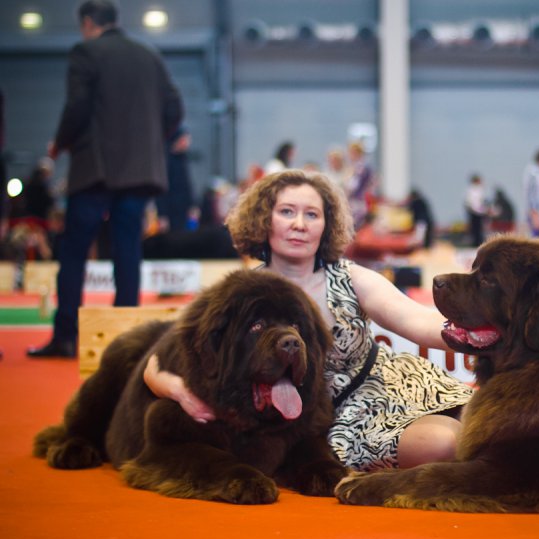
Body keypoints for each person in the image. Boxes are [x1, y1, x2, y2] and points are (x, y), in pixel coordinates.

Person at [143, 170, 474, 471]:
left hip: (396, 384)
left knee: (494, 428)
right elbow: (155, 364)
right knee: (447, 443)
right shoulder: (238, 293)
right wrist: (178, 391)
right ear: (263, 220)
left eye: (311, 214)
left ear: (326, 225)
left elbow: (415, 320)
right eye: (287, 211)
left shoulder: (352, 277)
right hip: (329, 422)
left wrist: (480, 335)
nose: (299, 224)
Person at [27, 0, 183, 358]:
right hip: (139, 172)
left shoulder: (86, 52)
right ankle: (125, 340)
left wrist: (59, 144)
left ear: (86, 23)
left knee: (74, 251)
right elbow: (174, 108)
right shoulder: (150, 55)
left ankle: (66, 336)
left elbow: (78, 106)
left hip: (96, 171)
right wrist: (150, 143)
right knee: (127, 249)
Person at [155, 125, 194, 233]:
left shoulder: (183, 158)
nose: (187, 142)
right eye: (184, 139)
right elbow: (161, 189)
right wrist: (162, 214)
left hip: (183, 209)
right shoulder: (165, 159)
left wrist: (192, 205)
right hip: (170, 209)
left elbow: (187, 185)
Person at [345, 141, 374, 231]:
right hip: (356, 201)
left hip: (357, 202)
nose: (349, 155)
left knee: (353, 230)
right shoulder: (355, 166)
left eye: (351, 152)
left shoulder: (360, 168)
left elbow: (353, 186)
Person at [465, 173, 490, 247]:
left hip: (477, 212)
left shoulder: (474, 190)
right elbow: (475, 204)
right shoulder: (474, 190)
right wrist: (483, 210)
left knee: (478, 230)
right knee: (477, 230)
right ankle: (477, 244)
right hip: (476, 213)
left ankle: (478, 243)